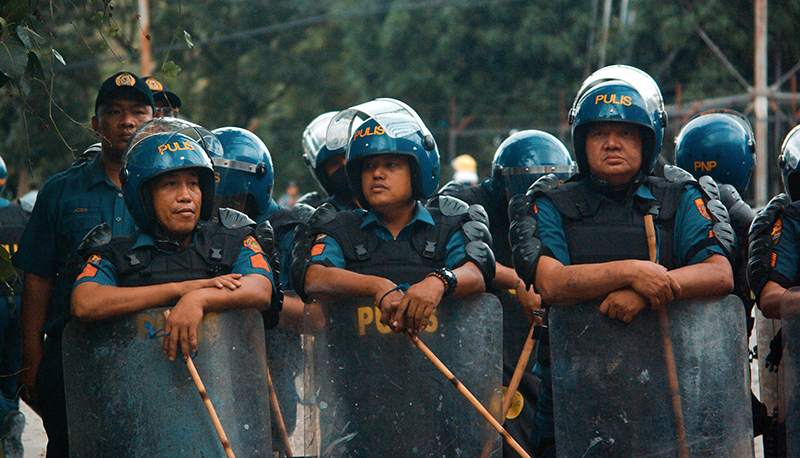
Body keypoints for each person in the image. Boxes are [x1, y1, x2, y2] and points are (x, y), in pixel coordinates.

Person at [509, 66, 734, 457]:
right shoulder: (549, 200)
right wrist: (633, 271)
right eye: (599, 133)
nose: (612, 143)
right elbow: (553, 283)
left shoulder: (679, 195)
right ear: (582, 142)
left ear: (647, 141)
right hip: (572, 386)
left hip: (667, 386)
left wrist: (645, 294)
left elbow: (719, 272)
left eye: (625, 134)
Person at [13, 71, 154, 457]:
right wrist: (32, 359)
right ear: (96, 124)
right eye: (114, 112)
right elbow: (38, 277)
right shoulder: (61, 190)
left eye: (138, 112)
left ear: (153, 121)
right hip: (73, 354)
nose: (127, 121)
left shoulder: (170, 187)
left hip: (152, 351)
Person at [292, 98, 494, 336]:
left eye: (391, 164)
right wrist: (377, 285)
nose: (377, 173)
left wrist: (439, 281)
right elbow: (315, 276)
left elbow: (475, 273)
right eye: (368, 166)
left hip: (441, 371)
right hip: (358, 370)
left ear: (418, 170)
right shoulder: (341, 227)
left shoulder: (449, 223)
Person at [70, 128, 277, 358]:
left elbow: (260, 289)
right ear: (144, 196)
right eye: (170, 184)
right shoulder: (115, 253)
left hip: (223, 386)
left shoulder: (233, 237)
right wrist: (179, 290)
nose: (186, 196)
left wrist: (198, 299)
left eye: (193, 184)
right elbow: (84, 302)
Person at [436, 129, 576, 456]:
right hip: (479, 342)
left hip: (546, 343)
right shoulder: (465, 201)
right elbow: (453, 253)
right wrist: (518, 280)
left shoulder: (568, 203)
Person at [0, 155, 29, 458]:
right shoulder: (22, 217)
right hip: (21, 302)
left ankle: (5, 418)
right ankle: (11, 421)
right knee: (11, 375)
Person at [297, 111, 361, 211]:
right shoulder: (326, 217)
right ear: (323, 175)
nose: (345, 164)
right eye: (335, 163)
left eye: (348, 155)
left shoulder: (388, 201)